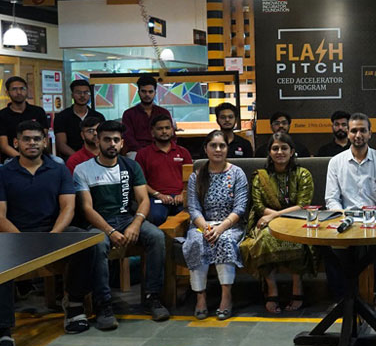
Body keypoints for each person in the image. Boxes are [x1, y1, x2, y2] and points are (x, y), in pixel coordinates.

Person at [0, 120, 95, 346]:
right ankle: (3, 335)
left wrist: (53, 235)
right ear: (16, 143)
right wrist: (25, 241)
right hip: (16, 236)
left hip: (52, 232)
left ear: (45, 142)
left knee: (87, 242)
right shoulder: (2, 174)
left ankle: (74, 304)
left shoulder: (59, 170)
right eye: (26, 139)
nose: (32, 143)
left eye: (37, 139)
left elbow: (68, 208)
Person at [75, 120, 171, 329]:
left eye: (116, 140)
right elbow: (87, 209)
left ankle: (152, 296)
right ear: (97, 141)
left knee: (156, 236)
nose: (112, 144)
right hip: (99, 223)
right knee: (98, 244)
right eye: (107, 139)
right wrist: (109, 231)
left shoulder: (131, 166)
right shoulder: (82, 169)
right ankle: (103, 304)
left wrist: (136, 224)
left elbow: (144, 200)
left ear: (122, 143)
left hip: (127, 218)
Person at [240, 131, 315, 314]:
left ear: (292, 151)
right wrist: (272, 219)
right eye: (275, 148)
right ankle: (271, 289)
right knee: (264, 238)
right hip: (267, 223)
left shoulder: (303, 174)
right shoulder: (261, 176)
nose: (279, 152)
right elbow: (259, 206)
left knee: (298, 238)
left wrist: (275, 216)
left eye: (284, 148)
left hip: (296, 220)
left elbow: (303, 205)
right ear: (269, 152)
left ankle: (297, 287)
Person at [324, 112, 376, 304]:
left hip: (375, 219)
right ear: (348, 133)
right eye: (354, 130)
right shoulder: (336, 162)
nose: (358, 135)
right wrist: (344, 216)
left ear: (370, 133)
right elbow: (331, 199)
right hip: (345, 219)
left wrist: (372, 217)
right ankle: (342, 299)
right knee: (328, 247)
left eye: (363, 130)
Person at [182, 130, 248, 320]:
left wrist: (220, 229)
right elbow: (193, 208)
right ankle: (200, 297)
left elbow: (240, 208)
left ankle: (226, 297)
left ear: (227, 148)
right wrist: (206, 228)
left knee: (224, 240)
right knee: (196, 241)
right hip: (202, 225)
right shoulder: (197, 176)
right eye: (213, 145)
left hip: (229, 225)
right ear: (206, 149)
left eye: (222, 146)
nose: (218, 149)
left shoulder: (237, 173)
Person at [135, 114, 192, 225]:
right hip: (156, 198)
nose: (164, 131)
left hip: (180, 197)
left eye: (167, 128)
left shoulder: (183, 152)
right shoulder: (143, 154)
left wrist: (182, 194)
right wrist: (158, 194)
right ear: (152, 132)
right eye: (160, 129)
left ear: (172, 130)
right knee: (156, 217)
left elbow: (191, 179)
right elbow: (140, 182)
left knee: (188, 218)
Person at [0, 76, 50, 160]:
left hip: (39, 157)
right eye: (14, 89)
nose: (19, 92)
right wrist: (24, 159)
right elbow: (4, 146)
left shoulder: (38, 112)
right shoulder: (0, 116)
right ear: (7, 92)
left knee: (59, 162)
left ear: (27, 91)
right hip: (13, 158)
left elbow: (44, 139)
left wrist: (36, 158)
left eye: (22, 88)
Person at [122, 75, 173, 155]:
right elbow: (128, 138)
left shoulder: (164, 112)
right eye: (144, 91)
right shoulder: (129, 114)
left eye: (150, 92)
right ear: (138, 92)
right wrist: (145, 153)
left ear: (155, 93)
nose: (147, 94)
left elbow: (172, 136)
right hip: (137, 151)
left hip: (161, 149)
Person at [54, 79, 104, 158]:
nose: (82, 95)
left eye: (86, 92)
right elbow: (61, 144)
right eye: (78, 92)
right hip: (71, 157)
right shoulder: (62, 117)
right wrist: (79, 158)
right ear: (72, 95)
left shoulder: (98, 116)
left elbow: (102, 140)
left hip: (95, 157)